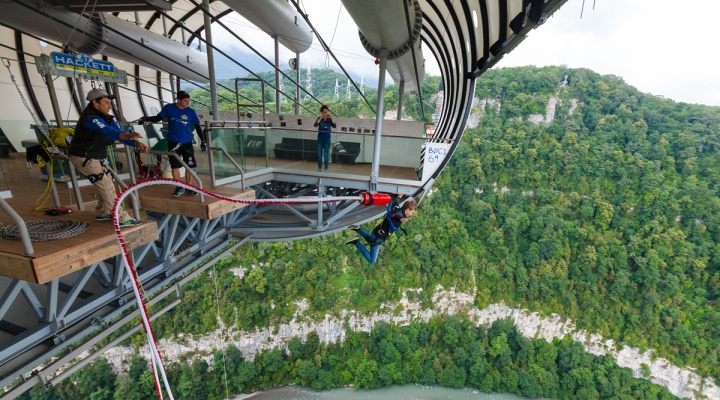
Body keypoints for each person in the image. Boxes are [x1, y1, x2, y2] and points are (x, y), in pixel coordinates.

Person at [68, 88, 148, 226]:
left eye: (110, 103)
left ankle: (103, 212)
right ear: (95, 103)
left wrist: (135, 142)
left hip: (95, 156)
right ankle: (121, 218)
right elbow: (108, 131)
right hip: (83, 156)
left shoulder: (107, 118)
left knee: (105, 184)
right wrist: (128, 136)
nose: (110, 106)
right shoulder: (90, 118)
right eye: (106, 102)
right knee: (107, 186)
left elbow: (118, 133)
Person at [139, 90, 205, 197]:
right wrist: (146, 119)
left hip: (187, 142)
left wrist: (203, 141)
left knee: (190, 166)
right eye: (185, 101)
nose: (187, 103)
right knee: (175, 166)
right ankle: (178, 188)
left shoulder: (191, 111)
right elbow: (157, 118)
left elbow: (197, 126)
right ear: (178, 100)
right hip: (173, 142)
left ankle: (189, 187)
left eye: (189, 101)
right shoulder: (169, 108)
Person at [345, 193, 417, 264]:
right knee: (372, 260)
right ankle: (356, 242)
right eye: (412, 212)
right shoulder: (400, 215)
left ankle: (358, 229)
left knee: (371, 240)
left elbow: (396, 203)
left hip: (377, 233)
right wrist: (401, 219)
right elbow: (396, 216)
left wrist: (398, 198)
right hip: (378, 236)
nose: (412, 214)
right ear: (407, 209)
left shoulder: (397, 208)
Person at [313, 105, 335, 172]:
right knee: (319, 154)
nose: (325, 113)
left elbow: (334, 126)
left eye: (326, 112)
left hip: (327, 138)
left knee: (326, 153)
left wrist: (331, 117)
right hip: (320, 138)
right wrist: (320, 118)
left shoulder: (329, 120)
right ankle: (319, 168)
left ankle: (326, 168)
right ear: (321, 112)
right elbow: (315, 125)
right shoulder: (319, 118)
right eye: (324, 112)